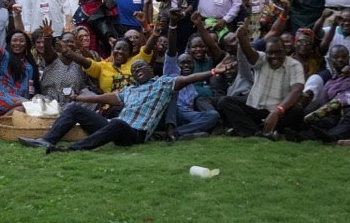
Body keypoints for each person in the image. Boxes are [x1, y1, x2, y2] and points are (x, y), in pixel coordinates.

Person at [19, 58, 227, 152]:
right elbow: (107, 98)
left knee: (118, 124)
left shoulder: (163, 84)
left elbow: (186, 79)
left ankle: (74, 149)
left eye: (141, 67)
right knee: (76, 110)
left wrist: (211, 72)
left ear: (151, 71)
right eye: (134, 69)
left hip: (135, 134)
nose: (137, 70)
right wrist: (78, 99)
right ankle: (47, 141)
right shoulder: (131, 90)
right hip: (114, 126)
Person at [215, 28, 306, 138]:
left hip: (279, 112)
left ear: (285, 51)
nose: (274, 56)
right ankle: (257, 134)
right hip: (255, 108)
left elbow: (296, 90)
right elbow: (249, 52)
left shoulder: (294, 65)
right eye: (270, 53)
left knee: (297, 111)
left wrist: (277, 111)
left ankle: (249, 130)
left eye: (278, 52)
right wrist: (242, 38)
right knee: (225, 101)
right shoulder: (262, 58)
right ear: (266, 52)